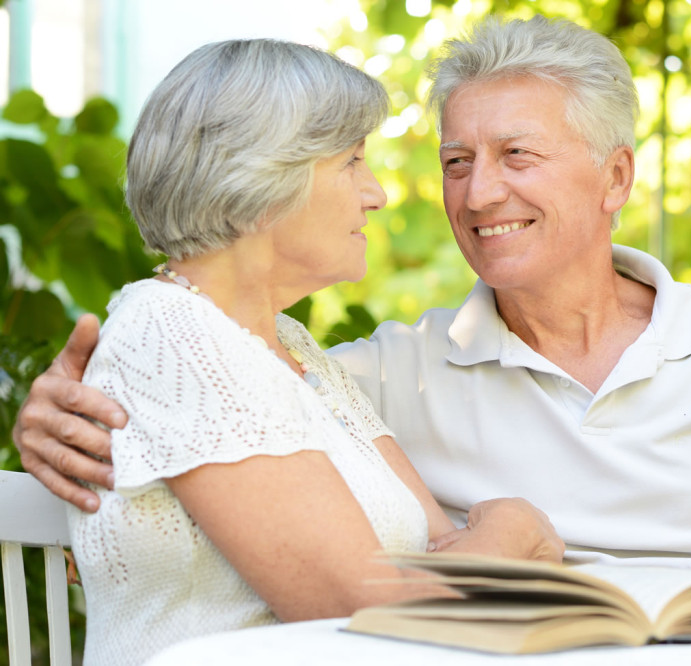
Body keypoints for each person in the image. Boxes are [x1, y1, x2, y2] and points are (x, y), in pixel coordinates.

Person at [13, 16, 691, 614]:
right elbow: (197, 409)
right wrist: (58, 417)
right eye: (457, 160)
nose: (477, 192)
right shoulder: (383, 368)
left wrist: (600, 602)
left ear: (616, 180)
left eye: (517, 156)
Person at [43, 38, 562, 666]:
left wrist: (470, 560)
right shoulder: (171, 334)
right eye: (352, 162)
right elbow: (371, 610)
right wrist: (515, 528)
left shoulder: (288, 347)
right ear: (262, 177)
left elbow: (437, 553)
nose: (376, 194)